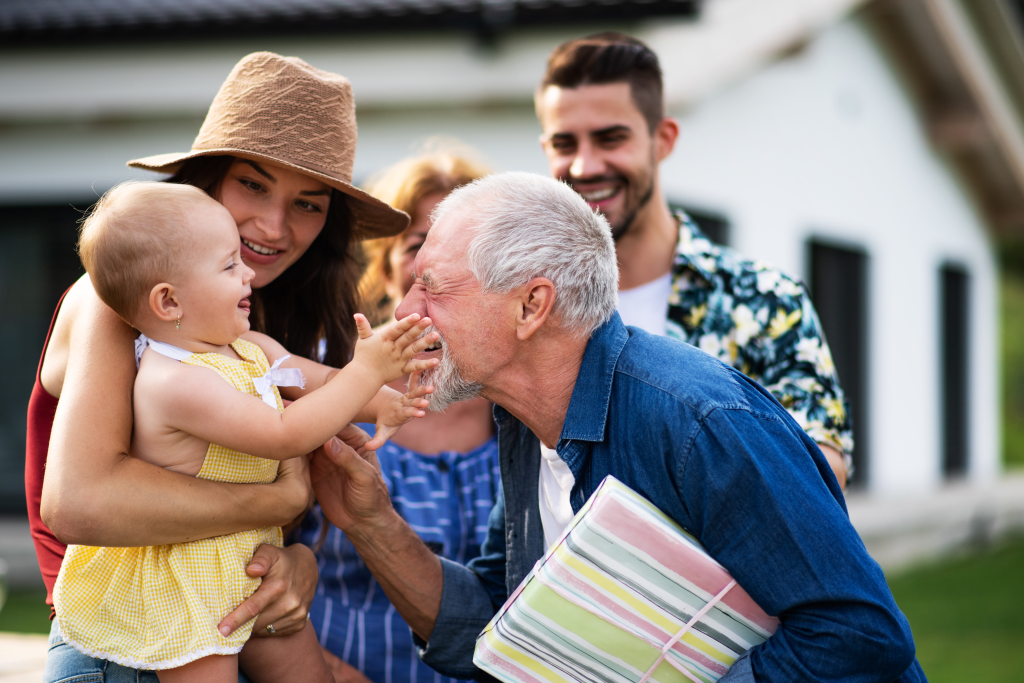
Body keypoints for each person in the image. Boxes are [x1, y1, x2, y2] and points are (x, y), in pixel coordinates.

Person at [309, 172, 927, 683]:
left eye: (433, 287)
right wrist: (371, 523)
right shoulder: (523, 423)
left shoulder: (697, 423)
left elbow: (860, 634)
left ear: (531, 306)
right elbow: (500, 625)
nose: (407, 310)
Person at [27, 52, 409, 682]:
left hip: (235, 617)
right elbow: (78, 504)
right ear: (205, 181)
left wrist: (299, 565)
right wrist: (278, 496)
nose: (272, 226)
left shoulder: (268, 317)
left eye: (309, 205)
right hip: (125, 641)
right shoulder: (117, 301)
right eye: (252, 185)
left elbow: (303, 505)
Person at [534, 33, 853, 487]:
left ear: (663, 139)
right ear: (546, 149)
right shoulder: (529, 307)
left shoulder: (766, 302)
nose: (585, 166)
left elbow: (820, 475)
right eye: (566, 144)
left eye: (610, 138)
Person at [295, 150, 498, 683]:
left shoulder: (519, 417)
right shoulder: (321, 387)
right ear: (386, 269)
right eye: (418, 249)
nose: (438, 268)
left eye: (465, 252)